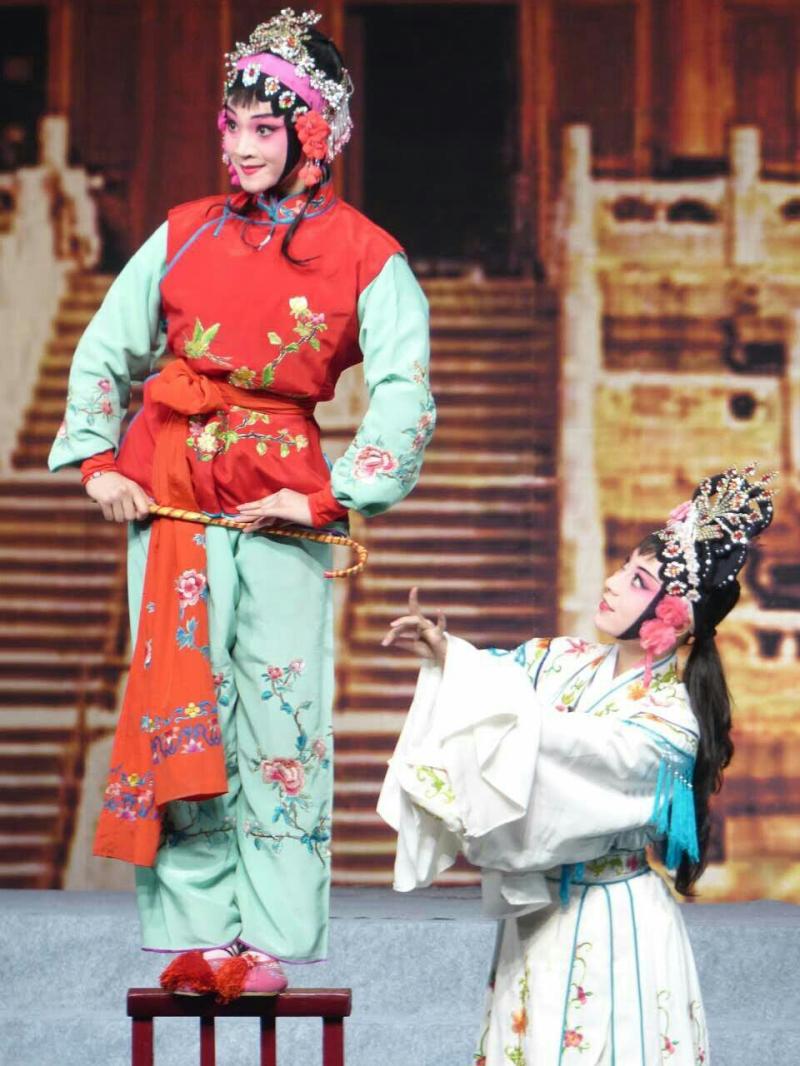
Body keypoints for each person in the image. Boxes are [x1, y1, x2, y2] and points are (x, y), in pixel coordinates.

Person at [49, 7, 434, 1000]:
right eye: (233, 125)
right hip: (173, 504)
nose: (242, 146)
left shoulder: (367, 254)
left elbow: (404, 390)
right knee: (183, 711)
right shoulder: (183, 233)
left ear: (316, 134)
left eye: (266, 128)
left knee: (278, 717)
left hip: (279, 513)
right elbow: (104, 349)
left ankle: (267, 941)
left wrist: (335, 495)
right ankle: (196, 935)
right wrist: (97, 463)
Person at [378, 464, 775, 1064]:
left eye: (638, 580)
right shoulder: (559, 658)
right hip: (538, 912)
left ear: (677, 619)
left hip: (613, 917)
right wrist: (447, 654)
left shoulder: (669, 721)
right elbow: (493, 686)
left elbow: (573, 750)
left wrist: (493, 699)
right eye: (623, 567)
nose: (612, 584)